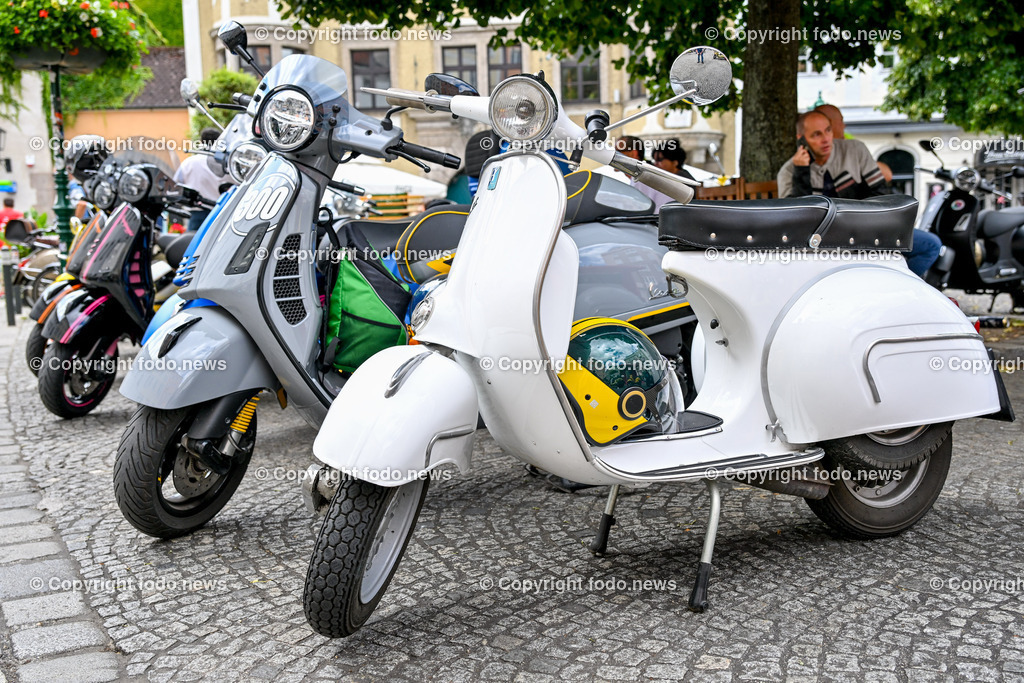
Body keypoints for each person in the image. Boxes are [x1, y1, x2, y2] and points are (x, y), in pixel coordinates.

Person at [778, 109, 941, 277]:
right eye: (816, 135)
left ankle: (895, 285)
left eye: (828, 130)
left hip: (868, 230)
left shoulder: (855, 150)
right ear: (801, 140)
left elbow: (881, 194)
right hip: (821, 243)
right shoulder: (788, 172)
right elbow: (798, 221)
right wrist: (802, 172)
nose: (826, 139)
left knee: (931, 245)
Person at [172, 128, 226, 231]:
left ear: (201, 142)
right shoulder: (224, 165)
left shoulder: (188, 163)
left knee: (194, 244)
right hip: (219, 213)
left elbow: (176, 187)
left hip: (196, 214)